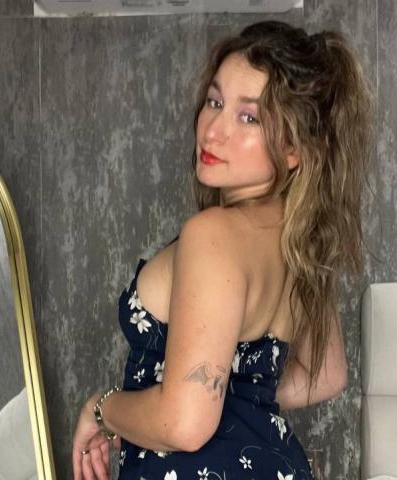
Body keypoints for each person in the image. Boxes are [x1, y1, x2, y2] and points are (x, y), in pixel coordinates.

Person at [72, 19, 373, 480]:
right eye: (215, 102)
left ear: (294, 148)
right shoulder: (300, 242)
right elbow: (327, 375)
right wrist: (226, 396)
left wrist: (103, 409)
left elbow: (185, 424)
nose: (213, 131)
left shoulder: (213, 235)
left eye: (249, 117)